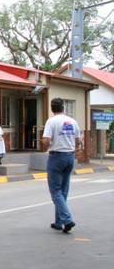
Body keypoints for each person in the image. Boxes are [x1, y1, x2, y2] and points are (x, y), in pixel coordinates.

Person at [42, 98, 81, 233]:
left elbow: (46, 140)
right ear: (63, 107)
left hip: (56, 157)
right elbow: (78, 141)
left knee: (55, 191)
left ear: (52, 109)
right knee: (63, 191)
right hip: (70, 156)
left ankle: (67, 219)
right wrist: (73, 149)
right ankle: (59, 222)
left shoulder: (51, 121)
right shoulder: (72, 121)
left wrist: (44, 147)